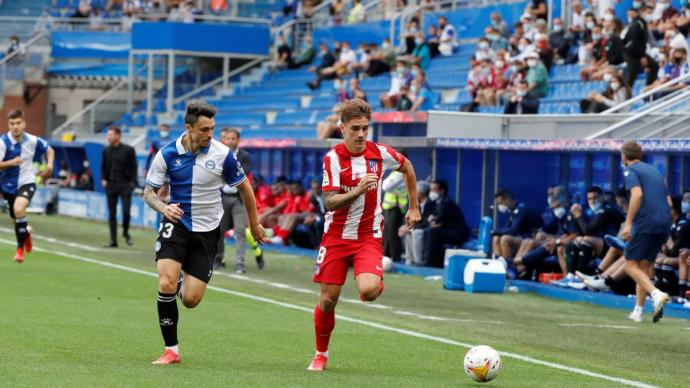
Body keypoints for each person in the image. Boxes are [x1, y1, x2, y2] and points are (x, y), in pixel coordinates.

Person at [144, 101, 265, 365]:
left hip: (208, 231)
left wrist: (254, 224)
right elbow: (148, 193)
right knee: (165, 283)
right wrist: (164, 208)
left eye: (212, 128)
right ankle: (171, 350)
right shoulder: (167, 154)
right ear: (189, 128)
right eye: (204, 129)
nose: (210, 134)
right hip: (176, 224)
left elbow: (245, 188)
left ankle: (181, 282)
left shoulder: (223, 155)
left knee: (190, 300)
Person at [307, 98, 420, 371]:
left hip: (368, 236)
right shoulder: (332, 158)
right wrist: (358, 189)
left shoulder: (379, 153)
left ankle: (368, 283)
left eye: (365, 129)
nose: (360, 134)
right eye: (355, 128)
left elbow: (408, 168)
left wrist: (414, 206)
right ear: (342, 128)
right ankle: (321, 354)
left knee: (369, 292)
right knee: (328, 299)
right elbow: (329, 202)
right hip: (335, 237)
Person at [620, 141, 671, 323]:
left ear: (624, 157)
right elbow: (669, 201)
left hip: (646, 222)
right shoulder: (655, 171)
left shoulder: (631, 171)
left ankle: (656, 294)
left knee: (630, 265)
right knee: (644, 266)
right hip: (664, 222)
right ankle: (638, 311)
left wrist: (628, 223)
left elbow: (637, 194)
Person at [0, 110, 54, 262]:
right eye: (12, 124)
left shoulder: (32, 140)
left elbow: (50, 150)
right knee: (17, 217)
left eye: (18, 123)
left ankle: (19, 250)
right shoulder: (3, 142)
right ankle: (27, 233)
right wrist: (11, 162)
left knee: (19, 209)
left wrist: (49, 166)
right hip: (7, 186)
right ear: (8, 125)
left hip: (27, 182)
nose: (15, 127)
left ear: (24, 123)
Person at [214, 127, 264, 273]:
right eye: (227, 138)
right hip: (223, 198)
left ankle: (240, 263)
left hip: (239, 199)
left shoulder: (245, 156)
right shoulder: (218, 155)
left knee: (241, 231)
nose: (229, 141)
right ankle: (218, 259)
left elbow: (241, 173)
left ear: (238, 140)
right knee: (218, 230)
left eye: (232, 139)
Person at [101, 126, 138, 248]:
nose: (108, 137)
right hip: (111, 185)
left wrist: (132, 183)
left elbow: (134, 167)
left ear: (118, 135)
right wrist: (103, 180)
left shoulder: (129, 150)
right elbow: (103, 166)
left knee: (126, 212)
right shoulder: (106, 150)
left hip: (125, 185)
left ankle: (125, 232)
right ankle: (113, 241)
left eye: (111, 135)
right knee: (112, 214)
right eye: (108, 135)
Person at [425, 180, 470, 267]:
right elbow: (430, 217)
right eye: (431, 190)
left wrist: (434, 220)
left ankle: (435, 263)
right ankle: (426, 260)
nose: (432, 192)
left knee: (433, 232)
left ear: (442, 191)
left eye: (434, 189)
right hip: (446, 229)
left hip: (457, 232)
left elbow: (441, 221)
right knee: (429, 231)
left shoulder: (448, 203)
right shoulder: (433, 202)